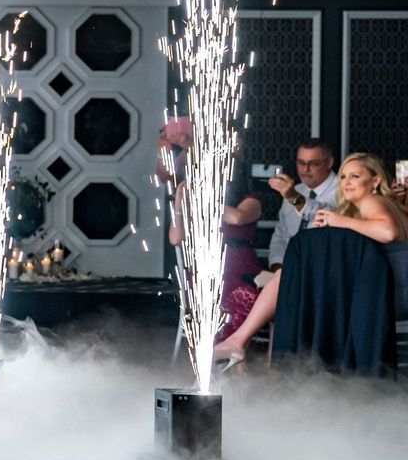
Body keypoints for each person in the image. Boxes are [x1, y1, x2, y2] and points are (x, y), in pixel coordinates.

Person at [215, 152, 408, 368]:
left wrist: (338, 221)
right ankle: (245, 344)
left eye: (354, 176)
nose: (346, 183)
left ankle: (243, 343)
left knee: (292, 281)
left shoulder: (373, 201)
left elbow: (387, 231)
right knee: (292, 279)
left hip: (390, 295)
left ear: (375, 181)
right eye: (343, 177)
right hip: (382, 293)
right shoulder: (382, 205)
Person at [160, 120, 263, 340]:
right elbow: (175, 238)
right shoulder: (197, 206)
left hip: (239, 271)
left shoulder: (251, 201)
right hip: (204, 273)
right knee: (206, 293)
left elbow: (237, 218)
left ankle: (229, 350)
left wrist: (205, 199)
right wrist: (179, 208)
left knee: (241, 297)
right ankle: (215, 351)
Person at [267, 137, 339, 267]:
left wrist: (294, 198)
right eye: (301, 163)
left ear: (329, 163)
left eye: (314, 163)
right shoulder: (296, 189)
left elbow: (326, 214)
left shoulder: (345, 188)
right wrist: (278, 267)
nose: (305, 169)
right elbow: (281, 235)